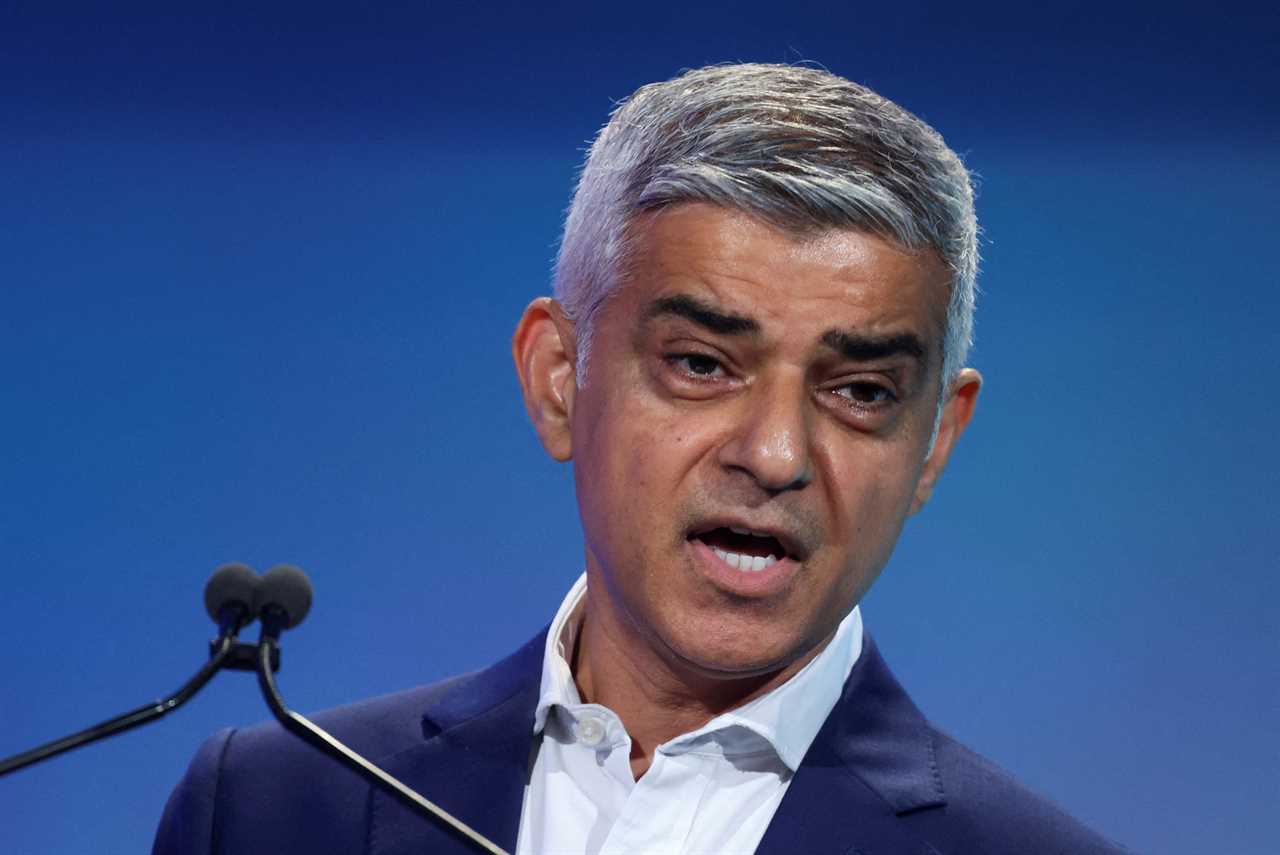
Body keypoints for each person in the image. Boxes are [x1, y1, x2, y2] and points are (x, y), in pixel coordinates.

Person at [153, 63, 1129, 855]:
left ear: (933, 446)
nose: (775, 454)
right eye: (702, 365)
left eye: (860, 391)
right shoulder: (271, 811)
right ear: (556, 378)